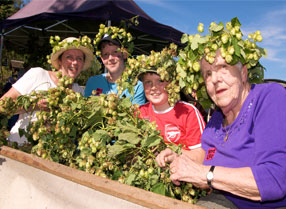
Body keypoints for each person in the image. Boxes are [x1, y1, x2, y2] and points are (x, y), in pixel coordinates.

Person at [156, 19, 286, 208]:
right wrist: (180, 159)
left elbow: (275, 179)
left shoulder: (269, 97)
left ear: (243, 74)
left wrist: (206, 175)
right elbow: (206, 153)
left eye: (224, 67)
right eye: (208, 74)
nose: (215, 79)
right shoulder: (216, 118)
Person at [0, 36, 94, 145]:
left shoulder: (79, 92)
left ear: (82, 64)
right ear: (60, 60)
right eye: (69, 57)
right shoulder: (38, 75)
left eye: (79, 58)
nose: (74, 62)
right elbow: (2, 106)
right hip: (21, 148)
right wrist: (34, 106)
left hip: (51, 156)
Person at [138, 69, 206, 158]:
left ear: (173, 84)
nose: (154, 87)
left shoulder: (187, 112)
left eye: (160, 81)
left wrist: (175, 155)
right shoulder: (140, 112)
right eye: (148, 82)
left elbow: (201, 155)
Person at [84, 33, 146, 105]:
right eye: (106, 54)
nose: (110, 58)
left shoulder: (137, 86)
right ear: (102, 59)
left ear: (125, 54)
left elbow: (136, 115)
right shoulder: (93, 82)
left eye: (115, 52)